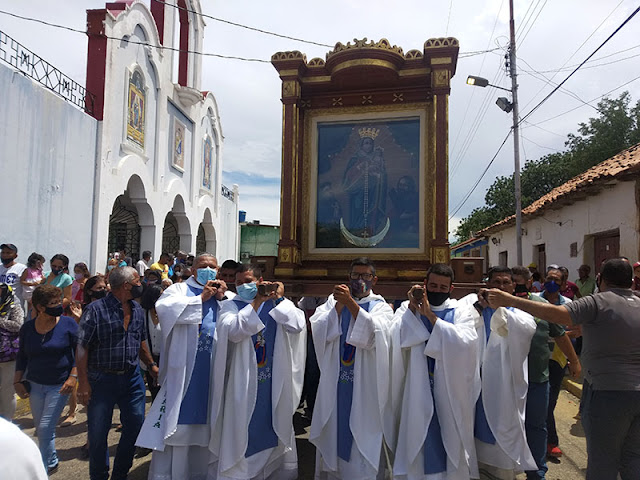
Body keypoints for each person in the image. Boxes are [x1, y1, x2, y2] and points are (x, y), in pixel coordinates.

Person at [483, 257, 640, 480]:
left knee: (603, 459)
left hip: (607, 394)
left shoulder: (597, 302)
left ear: (600, 279)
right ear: (632, 280)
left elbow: (560, 315)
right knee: (633, 456)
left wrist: (512, 301)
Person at [137, 253, 230, 479]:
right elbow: (164, 310)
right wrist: (200, 299)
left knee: (212, 425)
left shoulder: (225, 296)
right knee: (178, 427)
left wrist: (223, 298)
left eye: (212, 266)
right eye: (202, 266)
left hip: (215, 373)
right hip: (184, 371)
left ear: (217, 270)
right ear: (193, 269)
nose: (207, 269)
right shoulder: (178, 290)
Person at [213, 264, 306, 480]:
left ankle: (274, 469)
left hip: (273, 378)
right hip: (241, 380)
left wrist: (280, 299)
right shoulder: (230, 305)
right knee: (242, 428)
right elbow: (235, 332)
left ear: (260, 280)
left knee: (275, 421)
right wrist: (256, 303)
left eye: (248, 281)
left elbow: (297, 325)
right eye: (238, 283)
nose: (243, 286)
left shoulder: (278, 305)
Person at [390, 264, 480, 479]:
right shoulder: (407, 308)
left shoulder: (460, 310)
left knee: (450, 431)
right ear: (424, 284)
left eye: (442, 287)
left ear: (451, 288)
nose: (437, 290)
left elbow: (467, 342)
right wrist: (413, 308)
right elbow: (394, 337)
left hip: (450, 387)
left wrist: (431, 317)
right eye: (433, 285)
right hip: (416, 384)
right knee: (417, 428)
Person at [310, 257, 394, 480]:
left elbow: (376, 335)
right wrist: (339, 304)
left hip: (366, 386)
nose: (359, 280)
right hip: (336, 381)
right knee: (334, 428)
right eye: (355, 275)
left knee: (363, 434)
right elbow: (319, 329)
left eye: (365, 276)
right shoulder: (333, 302)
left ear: (374, 279)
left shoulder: (381, 307)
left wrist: (350, 304)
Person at [76, 266, 159, 480]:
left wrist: (150, 365)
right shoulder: (95, 310)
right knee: (98, 433)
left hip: (132, 378)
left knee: (135, 427)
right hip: (101, 379)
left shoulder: (138, 310)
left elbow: (139, 341)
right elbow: (82, 347)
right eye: (137, 281)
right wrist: (82, 382)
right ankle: (99, 476)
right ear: (126, 285)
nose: (141, 284)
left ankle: (121, 474)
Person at [512, 266, 580, 478]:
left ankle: (536, 471)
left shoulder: (542, 307)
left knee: (537, 425)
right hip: (507, 380)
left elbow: (561, 335)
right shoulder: (494, 307)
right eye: (511, 283)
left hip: (537, 378)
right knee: (508, 423)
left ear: (531, 282)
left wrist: (575, 361)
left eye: (521, 282)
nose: (516, 287)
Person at [469, 266, 537, 479]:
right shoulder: (473, 306)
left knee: (502, 425)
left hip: (504, 383)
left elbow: (527, 329)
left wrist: (504, 309)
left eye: (505, 282)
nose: (500, 286)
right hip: (476, 379)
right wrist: (479, 306)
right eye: (495, 282)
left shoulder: (520, 313)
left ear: (513, 286)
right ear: (487, 284)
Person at [13, 285, 78, 474]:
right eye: (53, 303)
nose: (58, 305)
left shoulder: (68, 324)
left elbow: (78, 353)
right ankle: (52, 459)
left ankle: (43, 468)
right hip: (35, 385)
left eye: (59, 301)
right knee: (43, 429)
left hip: (59, 385)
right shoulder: (27, 328)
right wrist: (17, 381)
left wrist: (73, 377)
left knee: (44, 428)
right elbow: (22, 357)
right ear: (40, 307)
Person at [342, 132, 388, 236]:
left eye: (370, 143)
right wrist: (359, 168)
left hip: (373, 192)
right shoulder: (354, 159)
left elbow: (383, 177)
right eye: (366, 143)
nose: (368, 145)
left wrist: (379, 175)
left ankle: (370, 231)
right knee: (358, 210)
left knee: (371, 211)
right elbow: (348, 176)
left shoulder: (378, 159)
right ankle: (356, 231)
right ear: (361, 145)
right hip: (357, 192)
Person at [297, 296, 327, 420]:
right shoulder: (305, 300)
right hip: (310, 335)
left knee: (318, 372)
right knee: (311, 372)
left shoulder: (329, 300)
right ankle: (312, 407)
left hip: (324, 337)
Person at [0, 284, 24, 419]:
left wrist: (0, 321)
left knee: (7, 392)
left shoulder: (14, 306)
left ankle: (7, 421)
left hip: (9, 356)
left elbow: (18, 325)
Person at [139, 284, 163, 402]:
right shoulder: (141, 314)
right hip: (148, 360)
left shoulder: (167, 314)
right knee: (153, 390)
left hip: (164, 359)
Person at [0, 243, 27, 308]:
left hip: (14, 307)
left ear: (15, 256)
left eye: (8, 253)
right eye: (3, 252)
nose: (5, 255)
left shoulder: (22, 269)